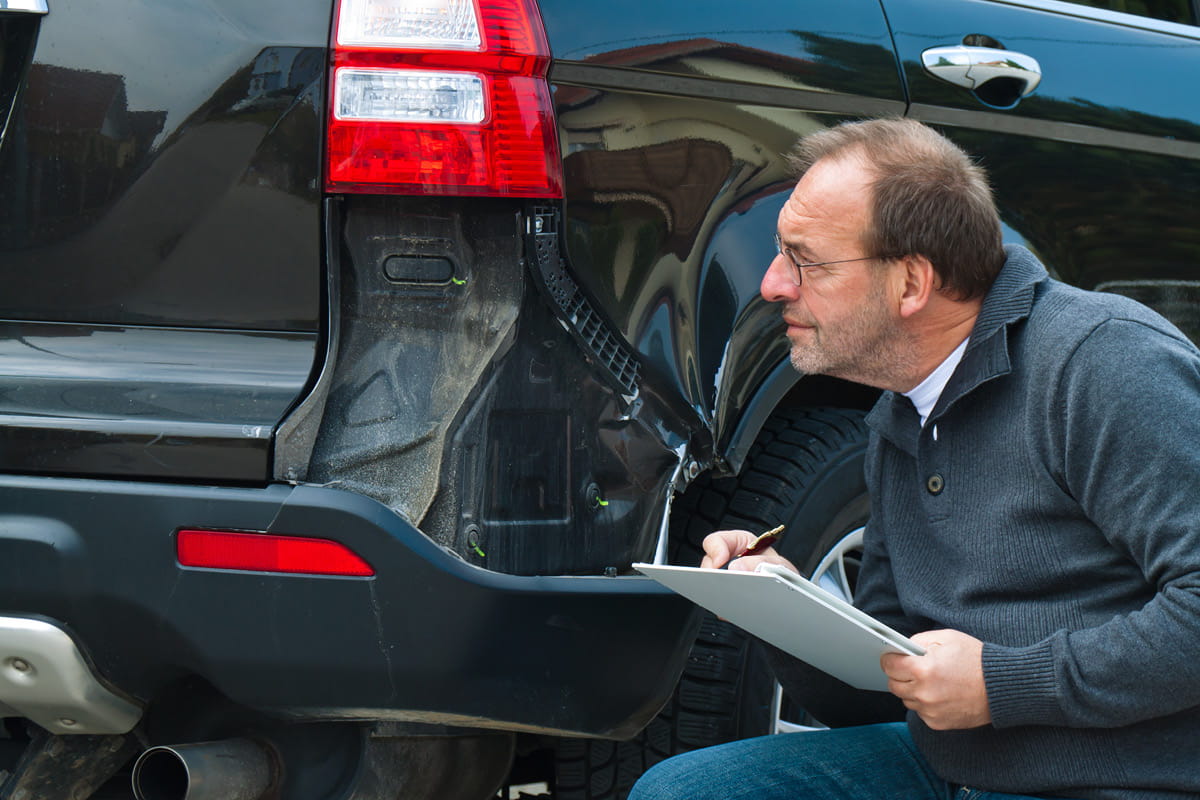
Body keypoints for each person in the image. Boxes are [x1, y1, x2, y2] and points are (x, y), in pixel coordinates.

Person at [629, 118, 1200, 800]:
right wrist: (779, 604)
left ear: (911, 283)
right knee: (682, 793)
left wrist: (1001, 685)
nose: (774, 284)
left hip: (1122, 779)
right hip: (951, 766)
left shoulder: (1106, 364)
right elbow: (870, 697)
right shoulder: (900, 411)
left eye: (804, 259)